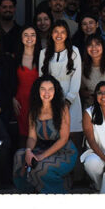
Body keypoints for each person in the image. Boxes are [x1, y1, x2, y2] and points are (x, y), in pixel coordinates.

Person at [12, 75, 77, 194]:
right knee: (19, 156)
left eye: (50, 89)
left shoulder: (62, 108)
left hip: (64, 151)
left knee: (40, 167)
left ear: (55, 91)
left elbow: (63, 139)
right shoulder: (34, 110)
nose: (47, 93)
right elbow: (32, 137)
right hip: (41, 148)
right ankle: (30, 193)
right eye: (43, 89)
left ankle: (59, 191)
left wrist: (42, 156)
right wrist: (28, 151)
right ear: (38, 90)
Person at [39, 20, 83, 152]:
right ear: (51, 34)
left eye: (63, 32)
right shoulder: (44, 53)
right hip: (50, 100)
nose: (59, 35)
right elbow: (41, 80)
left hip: (71, 99)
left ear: (67, 34)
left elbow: (76, 78)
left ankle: (75, 171)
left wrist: (68, 101)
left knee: (73, 136)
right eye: (56, 31)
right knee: (55, 137)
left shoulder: (74, 52)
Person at [13, 27, 40, 144]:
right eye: (26, 34)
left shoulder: (43, 56)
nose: (29, 38)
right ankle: (23, 160)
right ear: (21, 37)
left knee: (37, 131)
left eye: (32, 34)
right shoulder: (15, 58)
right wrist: (12, 98)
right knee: (22, 134)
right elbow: (10, 81)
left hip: (38, 100)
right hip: (20, 101)